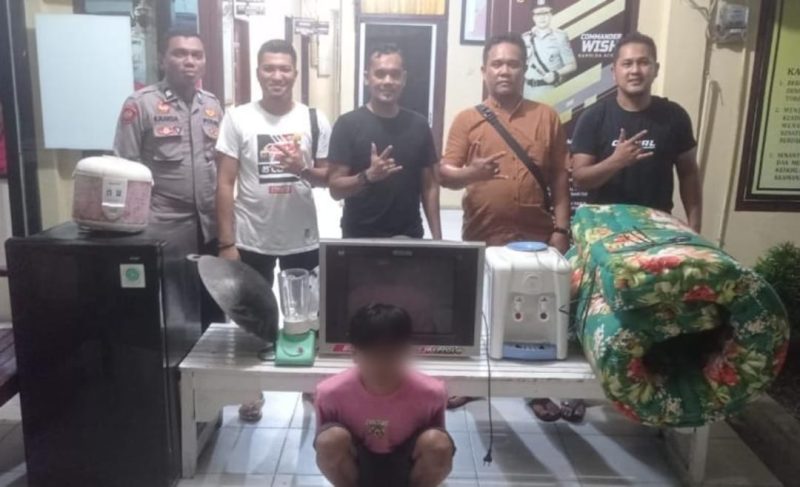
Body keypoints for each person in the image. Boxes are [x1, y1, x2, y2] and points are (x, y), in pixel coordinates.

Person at [439, 32, 572, 416]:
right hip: (483, 231)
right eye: (497, 63)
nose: (504, 70)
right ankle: (472, 385)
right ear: (484, 70)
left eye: (513, 63)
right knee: (478, 312)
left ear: (524, 69)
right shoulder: (467, 119)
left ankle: (537, 390)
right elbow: (445, 174)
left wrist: (561, 230)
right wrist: (471, 173)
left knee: (535, 314)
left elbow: (560, 179)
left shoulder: (546, 117)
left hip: (536, 237)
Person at [215, 39, 331, 422]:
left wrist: (302, 168)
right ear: (258, 72)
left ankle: (311, 384)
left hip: (302, 236)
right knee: (253, 317)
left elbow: (327, 179)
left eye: (284, 68)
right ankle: (252, 392)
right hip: (252, 237)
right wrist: (226, 242)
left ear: (295, 73)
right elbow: (225, 182)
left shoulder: (314, 119)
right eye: (269, 68)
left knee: (309, 315)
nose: (277, 75)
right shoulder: (238, 118)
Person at [113, 28, 224, 328]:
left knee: (212, 301)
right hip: (163, 224)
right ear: (162, 60)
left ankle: (210, 354)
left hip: (208, 225)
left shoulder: (212, 105)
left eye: (197, 55)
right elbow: (125, 169)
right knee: (172, 307)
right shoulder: (140, 104)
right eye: (180, 53)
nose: (189, 61)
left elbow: (220, 164)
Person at [570, 31, 703, 232]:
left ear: (656, 69)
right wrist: (616, 161)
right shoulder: (594, 117)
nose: (635, 70)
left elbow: (689, 174)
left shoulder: (675, 116)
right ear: (614, 72)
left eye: (643, 63)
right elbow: (580, 180)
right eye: (627, 64)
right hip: (604, 228)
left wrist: (695, 227)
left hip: (657, 228)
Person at [314, 304, 454, 487]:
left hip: (407, 467)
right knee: (329, 440)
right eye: (372, 355)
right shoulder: (329, 394)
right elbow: (324, 449)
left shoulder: (432, 393)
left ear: (406, 352)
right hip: (356, 467)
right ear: (354, 353)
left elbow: (438, 450)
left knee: (438, 443)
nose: (380, 364)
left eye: (390, 355)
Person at [327, 44, 442, 240]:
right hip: (359, 240)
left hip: (408, 237)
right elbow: (335, 190)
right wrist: (367, 176)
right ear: (367, 78)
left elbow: (429, 186)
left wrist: (438, 240)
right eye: (380, 74)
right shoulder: (347, 124)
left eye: (395, 75)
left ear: (403, 79)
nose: (388, 81)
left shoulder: (419, 125)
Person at [522, 0, 577, 101]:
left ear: (551, 15)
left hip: (549, 90)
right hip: (528, 91)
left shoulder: (560, 37)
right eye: (538, 14)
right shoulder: (525, 38)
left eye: (545, 13)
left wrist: (556, 74)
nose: (542, 18)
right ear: (533, 17)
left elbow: (572, 65)